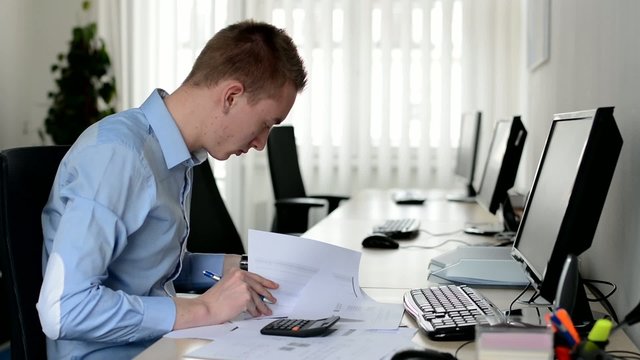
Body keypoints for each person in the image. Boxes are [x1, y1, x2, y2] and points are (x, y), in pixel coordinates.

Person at [36, 20, 307, 359]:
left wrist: (244, 267)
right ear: (231, 96)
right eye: (266, 124)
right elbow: (64, 309)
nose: (261, 143)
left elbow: (149, 266)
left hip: (160, 346)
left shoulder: (174, 155)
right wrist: (205, 310)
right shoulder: (119, 156)